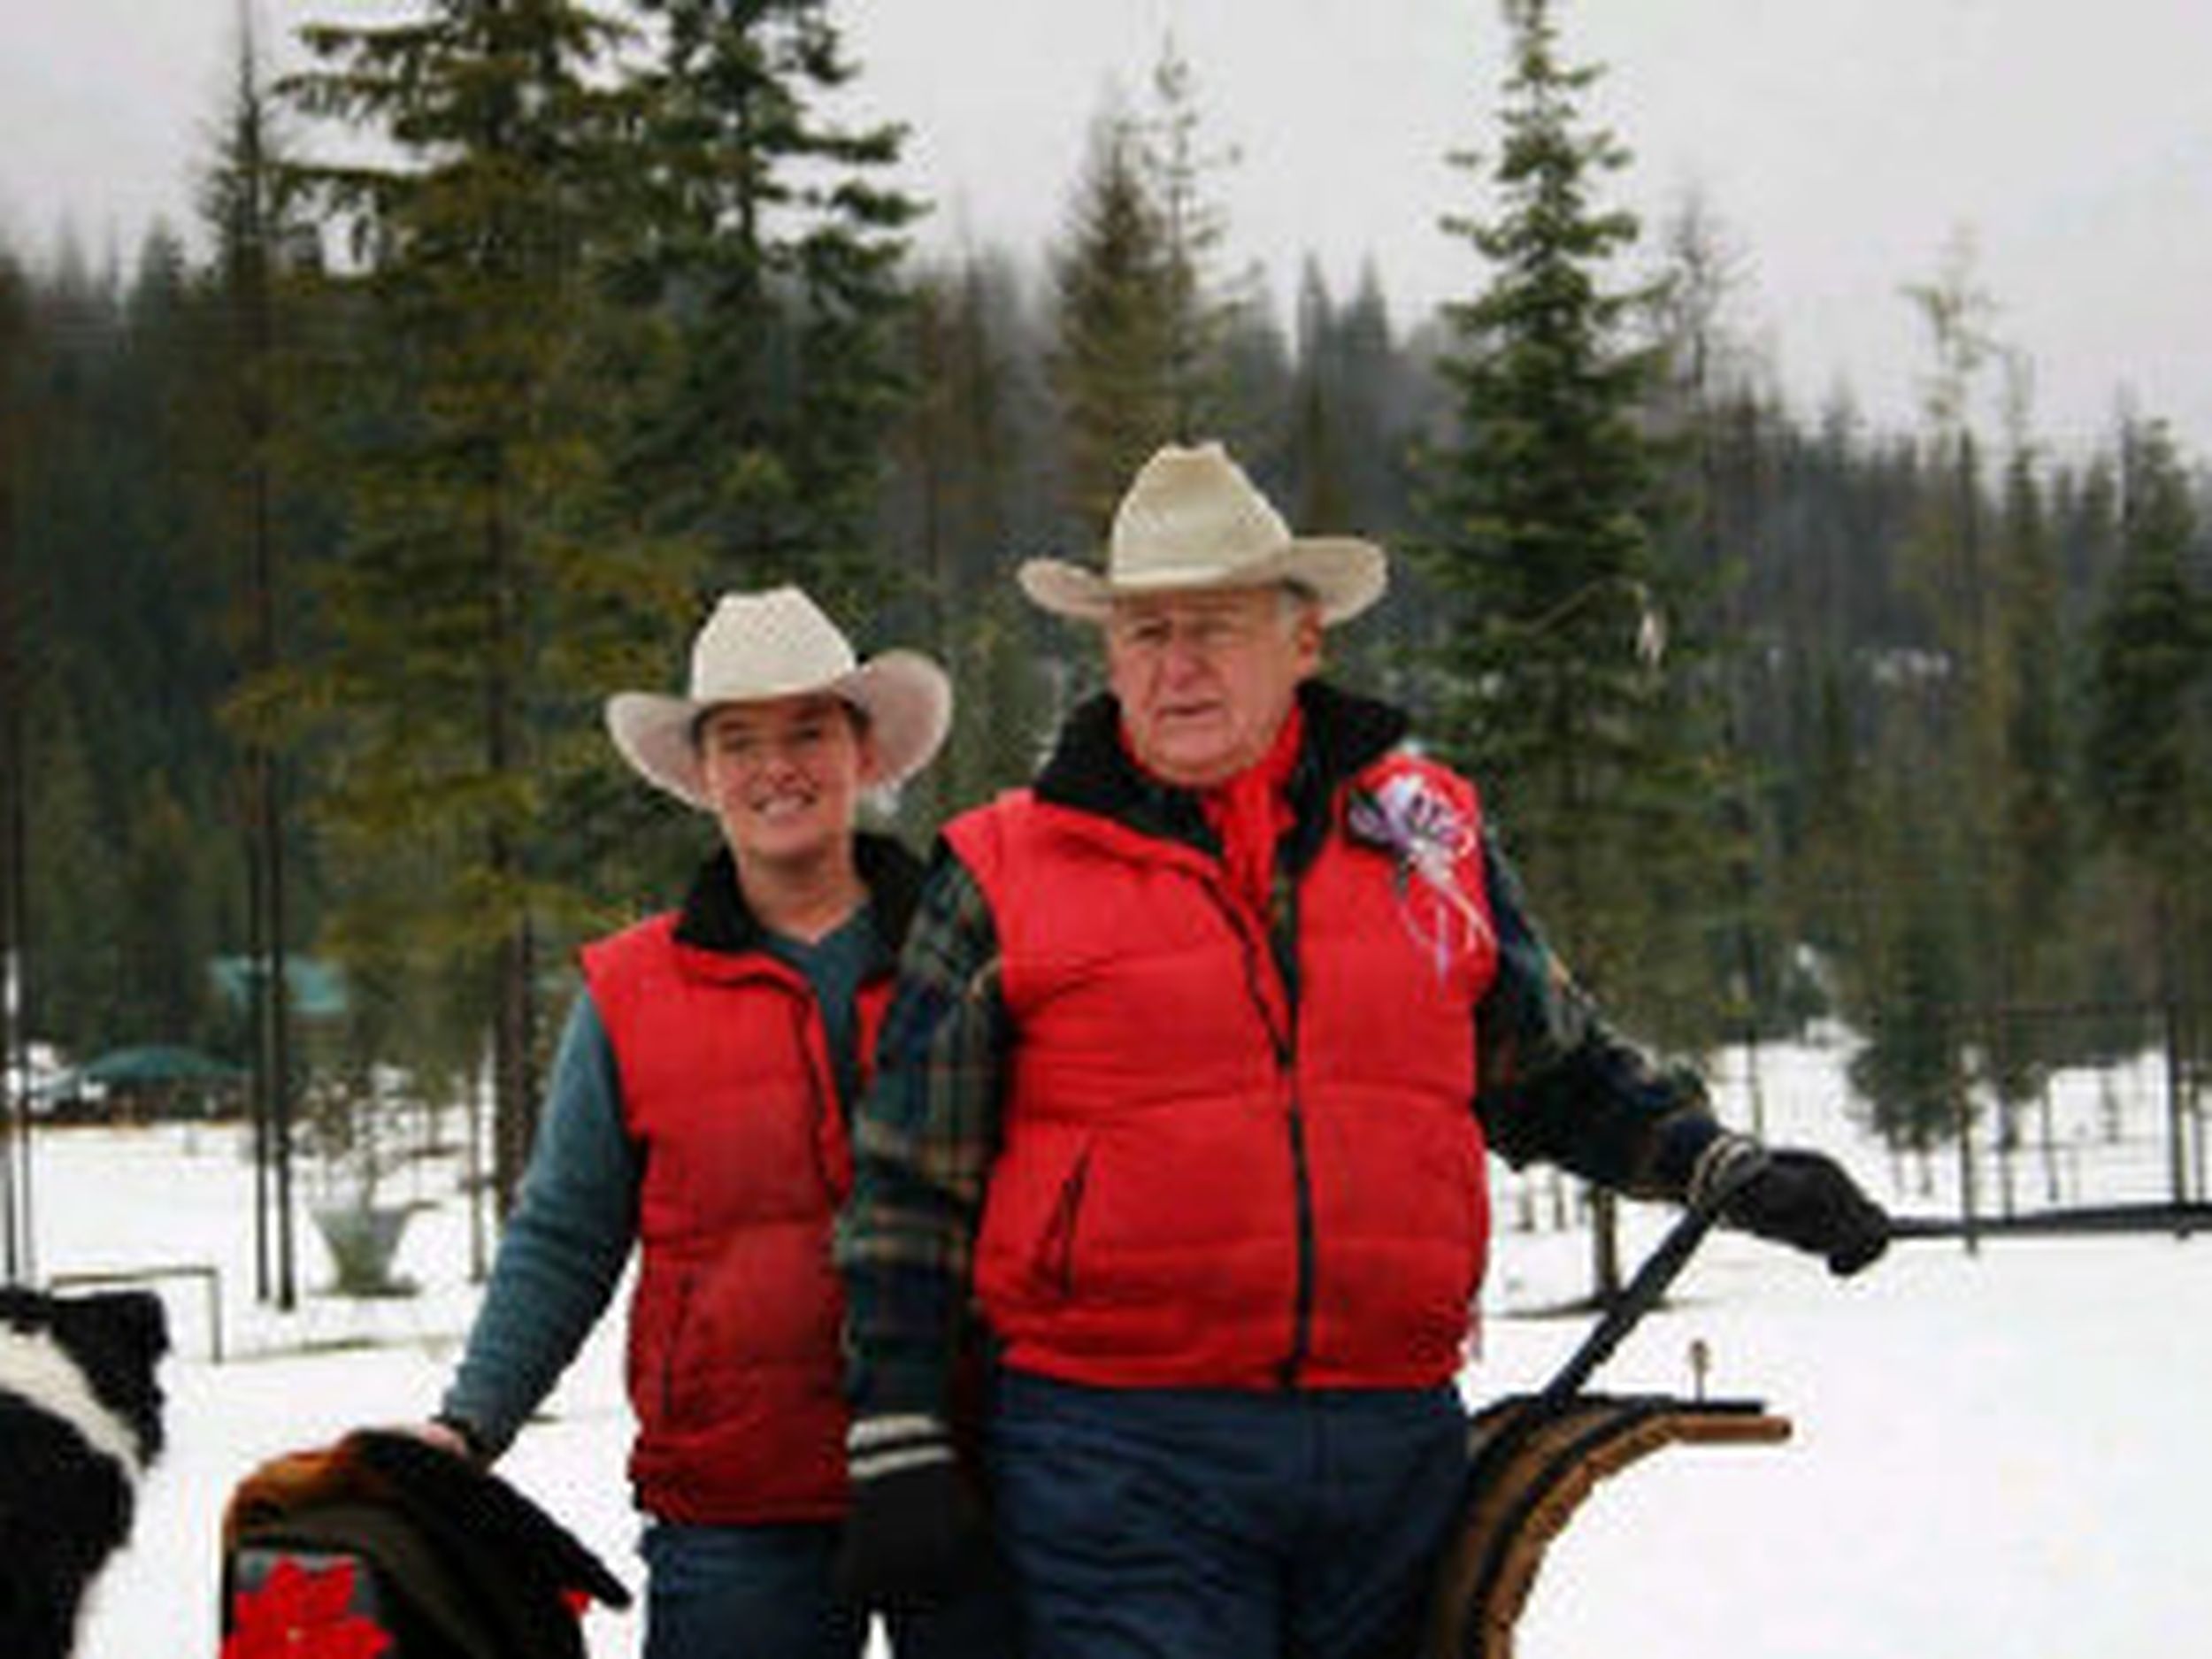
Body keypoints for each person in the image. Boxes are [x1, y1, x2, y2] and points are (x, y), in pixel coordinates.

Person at [831, 443, 1890, 1659]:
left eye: (1213, 627)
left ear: (1304, 639)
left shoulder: (1422, 833)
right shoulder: (1003, 866)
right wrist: (898, 1429)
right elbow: (909, 1179)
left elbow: (1548, 1067)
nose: (1174, 667)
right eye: (1142, 631)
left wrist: (1722, 1166)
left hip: (1391, 1444)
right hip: (1120, 1444)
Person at [419, 587, 1018, 1659]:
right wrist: (470, 1425)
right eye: (738, 741)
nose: (774, 767)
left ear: (863, 753)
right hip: (738, 1498)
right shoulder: (630, 993)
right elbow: (565, 1233)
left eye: (806, 731)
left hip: (971, 1465)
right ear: (702, 775)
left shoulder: (977, 951)